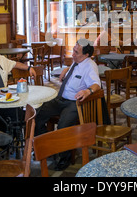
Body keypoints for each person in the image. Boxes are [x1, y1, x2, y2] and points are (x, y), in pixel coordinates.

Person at [35, 38, 101, 171]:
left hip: (74, 103)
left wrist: (87, 91)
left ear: (86, 55)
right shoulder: (77, 61)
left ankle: (63, 158)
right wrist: (66, 68)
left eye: (76, 52)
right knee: (37, 113)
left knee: (63, 125)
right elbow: (75, 70)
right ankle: (45, 147)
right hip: (60, 99)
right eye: (73, 51)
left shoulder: (90, 65)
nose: (73, 54)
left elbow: (97, 84)